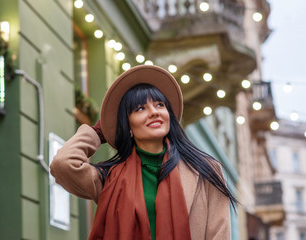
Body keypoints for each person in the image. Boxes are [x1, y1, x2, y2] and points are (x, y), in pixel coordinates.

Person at [50, 65, 237, 240]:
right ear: (127, 124)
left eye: (159, 105)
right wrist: (98, 132)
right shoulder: (109, 179)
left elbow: (218, 234)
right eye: (140, 108)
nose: (154, 112)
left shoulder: (206, 170)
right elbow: (63, 164)